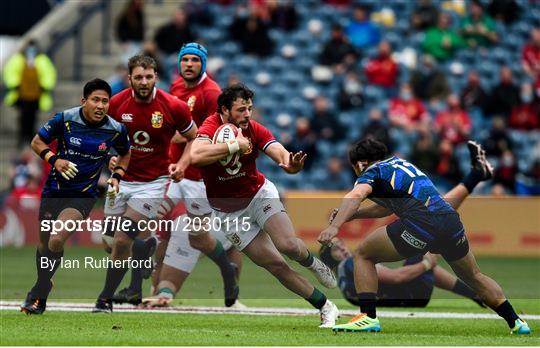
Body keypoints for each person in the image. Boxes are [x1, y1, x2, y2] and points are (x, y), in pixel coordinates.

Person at [318, 138, 531, 334]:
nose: (356, 172)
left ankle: (367, 317)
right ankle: (516, 322)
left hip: (420, 223)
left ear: (361, 162)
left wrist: (335, 226)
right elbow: (385, 208)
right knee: (474, 276)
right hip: (450, 221)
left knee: (363, 255)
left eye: (355, 166)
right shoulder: (398, 164)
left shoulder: (371, 172)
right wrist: (353, 216)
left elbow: (356, 194)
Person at [190, 83, 339, 328]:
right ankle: (325, 306)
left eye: (249, 108)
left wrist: (290, 164)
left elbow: (280, 153)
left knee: (288, 245)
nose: (247, 114)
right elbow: (196, 156)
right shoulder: (210, 126)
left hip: (259, 194)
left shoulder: (253, 129)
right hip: (229, 213)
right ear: (225, 110)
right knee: (276, 265)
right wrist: (232, 146)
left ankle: (313, 263)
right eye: (241, 109)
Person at [320, 143, 495, 308]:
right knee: (434, 215)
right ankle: (476, 175)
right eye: (337, 249)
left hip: (405, 291)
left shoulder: (346, 273)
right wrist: (427, 265)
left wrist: (349, 218)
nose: (343, 249)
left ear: (359, 164)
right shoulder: (393, 165)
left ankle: (476, 175)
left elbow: (382, 208)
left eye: (341, 245)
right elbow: (395, 277)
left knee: (433, 213)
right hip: (410, 292)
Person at [93, 55, 197, 313]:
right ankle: (146, 247)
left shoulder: (173, 106)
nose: (144, 81)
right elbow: (100, 138)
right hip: (121, 179)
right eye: (138, 77)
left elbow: (193, 137)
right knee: (110, 243)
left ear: (156, 78)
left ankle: (105, 298)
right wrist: (110, 156)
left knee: (121, 239)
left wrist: (181, 165)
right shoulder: (115, 104)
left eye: (148, 77)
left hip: (153, 182)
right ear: (129, 78)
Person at [142, 42, 242, 308]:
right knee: (151, 220)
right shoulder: (176, 87)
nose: (188, 64)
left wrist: (182, 156)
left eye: (194, 60)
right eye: (184, 59)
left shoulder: (211, 93)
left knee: (197, 236)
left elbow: (204, 136)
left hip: (200, 178)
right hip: (174, 173)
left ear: (203, 64)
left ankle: (226, 267)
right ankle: (148, 285)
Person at [20, 79, 131, 315]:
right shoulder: (65, 119)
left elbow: (125, 153)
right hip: (54, 191)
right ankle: (44, 283)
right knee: (43, 243)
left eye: (105, 101)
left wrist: (117, 175)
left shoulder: (116, 129)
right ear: (84, 101)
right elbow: (36, 142)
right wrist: (54, 159)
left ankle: (39, 294)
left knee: (56, 239)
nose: (100, 105)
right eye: (95, 100)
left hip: (83, 195)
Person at [3, 39, 57, 147]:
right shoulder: (18, 59)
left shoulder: (42, 60)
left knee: (33, 116)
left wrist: (44, 85)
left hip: (37, 94)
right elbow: (10, 72)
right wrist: (15, 84)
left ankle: (30, 137)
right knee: (23, 116)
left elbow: (49, 74)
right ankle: (23, 137)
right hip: (21, 94)